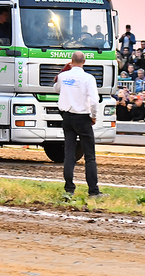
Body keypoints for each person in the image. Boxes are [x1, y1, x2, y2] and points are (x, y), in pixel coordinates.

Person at [54, 51, 105, 197]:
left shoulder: (64, 76)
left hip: (67, 117)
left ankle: (69, 189)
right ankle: (93, 191)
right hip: (83, 117)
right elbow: (94, 101)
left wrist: (63, 71)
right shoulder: (88, 78)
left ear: (71, 61)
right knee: (89, 156)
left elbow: (56, 88)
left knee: (69, 154)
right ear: (84, 61)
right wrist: (93, 116)